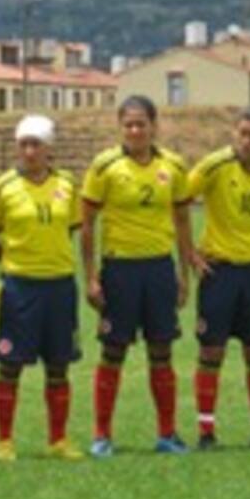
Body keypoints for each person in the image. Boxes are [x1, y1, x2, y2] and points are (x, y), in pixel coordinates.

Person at [80, 95, 193, 457]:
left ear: (153, 125)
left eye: (141, 123)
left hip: (159, 267)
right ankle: (102, 435)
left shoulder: (173, 166)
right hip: (120, 269)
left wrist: (182, 272)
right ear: (120, 127)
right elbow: (87, 224)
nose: (135, 130)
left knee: (161, 351)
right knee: (113, 352)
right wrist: (91, 276)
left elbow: (182, 220)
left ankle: (167, 434)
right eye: (128, 124)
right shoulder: (104, 166)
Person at [187, 106, 250, 449]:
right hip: (219, 272)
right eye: (242, 133)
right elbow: (179, 202)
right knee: (211, 352)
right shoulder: (214, 166)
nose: (246, 141)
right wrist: (190, 252)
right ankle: (206, 433)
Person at [0, 114, 84, 462]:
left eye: (36, 144)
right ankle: (4, 440)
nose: (29, 151)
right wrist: (9, 261)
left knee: (59, 365)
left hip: (59, 285)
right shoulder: (3, 187)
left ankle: (58, 439)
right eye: (23, 144)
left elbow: (70, 228)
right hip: (20, 288)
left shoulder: (67, 185)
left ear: (49, 147)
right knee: (10, 365)